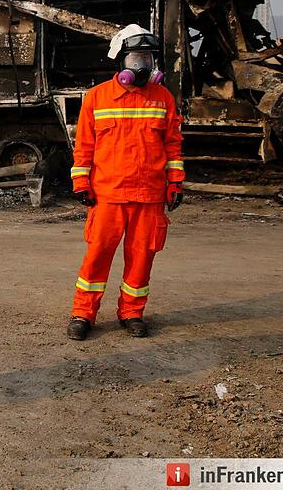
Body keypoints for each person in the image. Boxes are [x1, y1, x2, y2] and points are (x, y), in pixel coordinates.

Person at [67, 24, 185, 340]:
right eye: (135, 59)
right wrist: (81, 182)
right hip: (108, 195)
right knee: (97, 257)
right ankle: (83, 314)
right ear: (120, 62)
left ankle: (132, 313)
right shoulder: (97, 98)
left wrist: (175, 182)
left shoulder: (163, 98)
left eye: (147, 59)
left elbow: (173, 144)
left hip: (149, 195)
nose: (142, 67)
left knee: (142, 258)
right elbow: (84, 147)